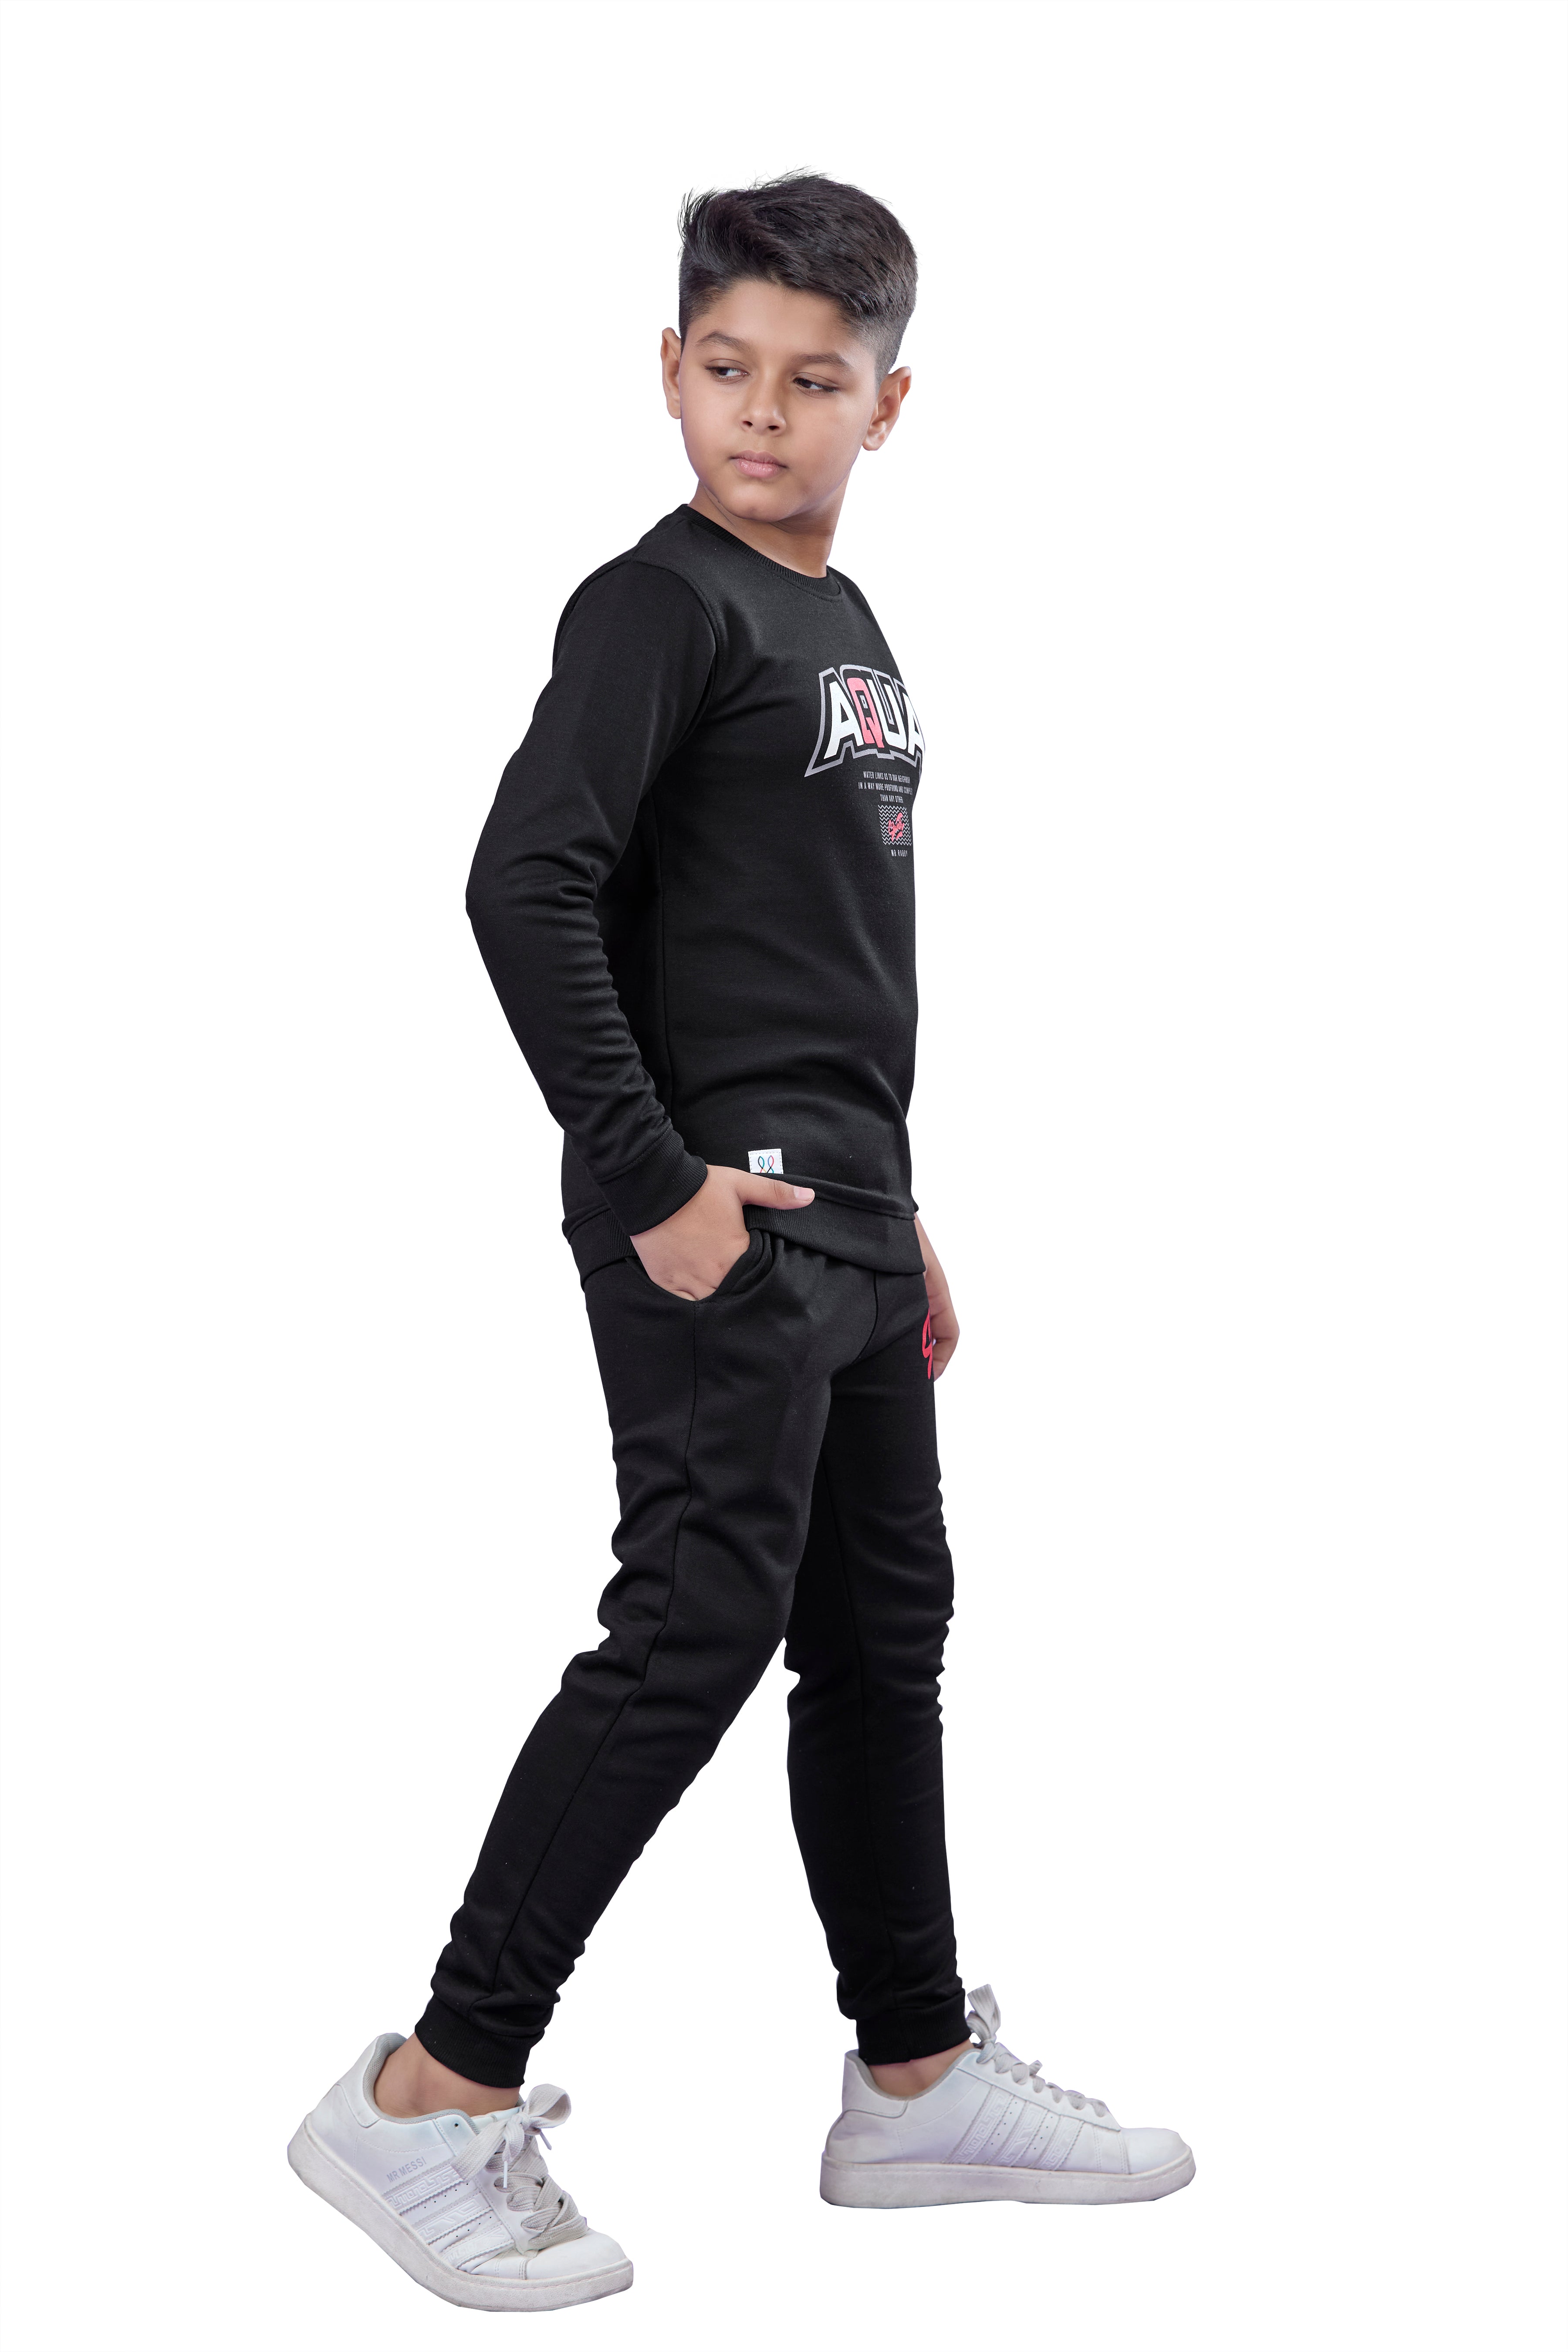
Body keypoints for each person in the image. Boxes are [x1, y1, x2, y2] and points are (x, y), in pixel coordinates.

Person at [287, 172, 1193, 2317]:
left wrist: (900, 1209)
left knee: (885, 1632)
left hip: (844, 1209)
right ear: (668, 372)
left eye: (813, 379)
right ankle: (428, 2090)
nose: (763, 414)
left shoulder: (845, 624)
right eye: (725, 370)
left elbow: (807, 948)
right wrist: (655, 1180)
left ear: (893, 404)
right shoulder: (657, 606)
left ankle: (916, 2074)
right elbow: (526, 883)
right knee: (691, 1625)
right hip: (722, 1214)